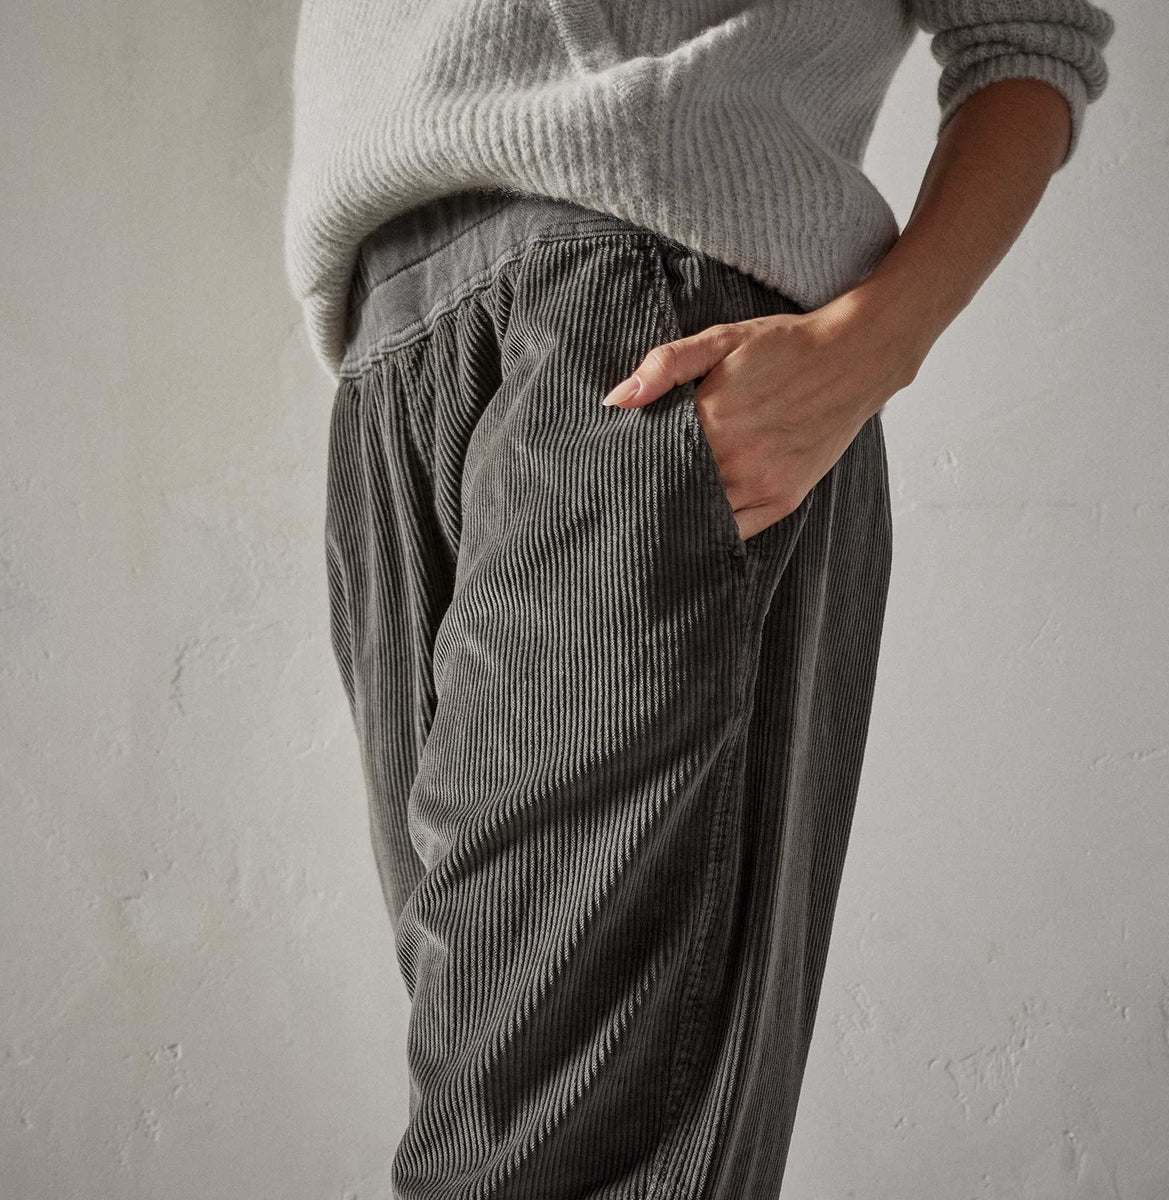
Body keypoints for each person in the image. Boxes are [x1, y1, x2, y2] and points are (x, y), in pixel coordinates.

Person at [284, 3, 1116, 1197]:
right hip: (389, 370)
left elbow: (1028, 35)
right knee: (511, 1072)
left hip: (636, 325)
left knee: (544, 1126)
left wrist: (871, 348)